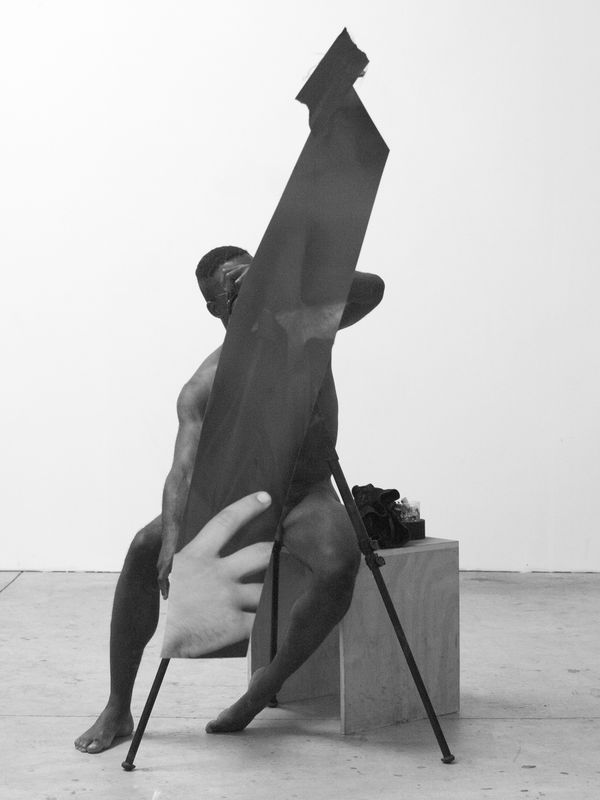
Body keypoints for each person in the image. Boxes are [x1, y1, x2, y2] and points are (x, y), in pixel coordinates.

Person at [74, 245, 384, 753]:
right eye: (234, 290)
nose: (248, 294)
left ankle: (263, 688)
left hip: (304, 492)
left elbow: (373, 290)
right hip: (238, 496)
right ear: (214, 308)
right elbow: (183, 469)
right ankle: (117, 706)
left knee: (339, 563)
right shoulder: (204, 384)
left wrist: (289, 274)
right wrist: (172, 539)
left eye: (253, 280)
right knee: (142, 547)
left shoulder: (309, 328)